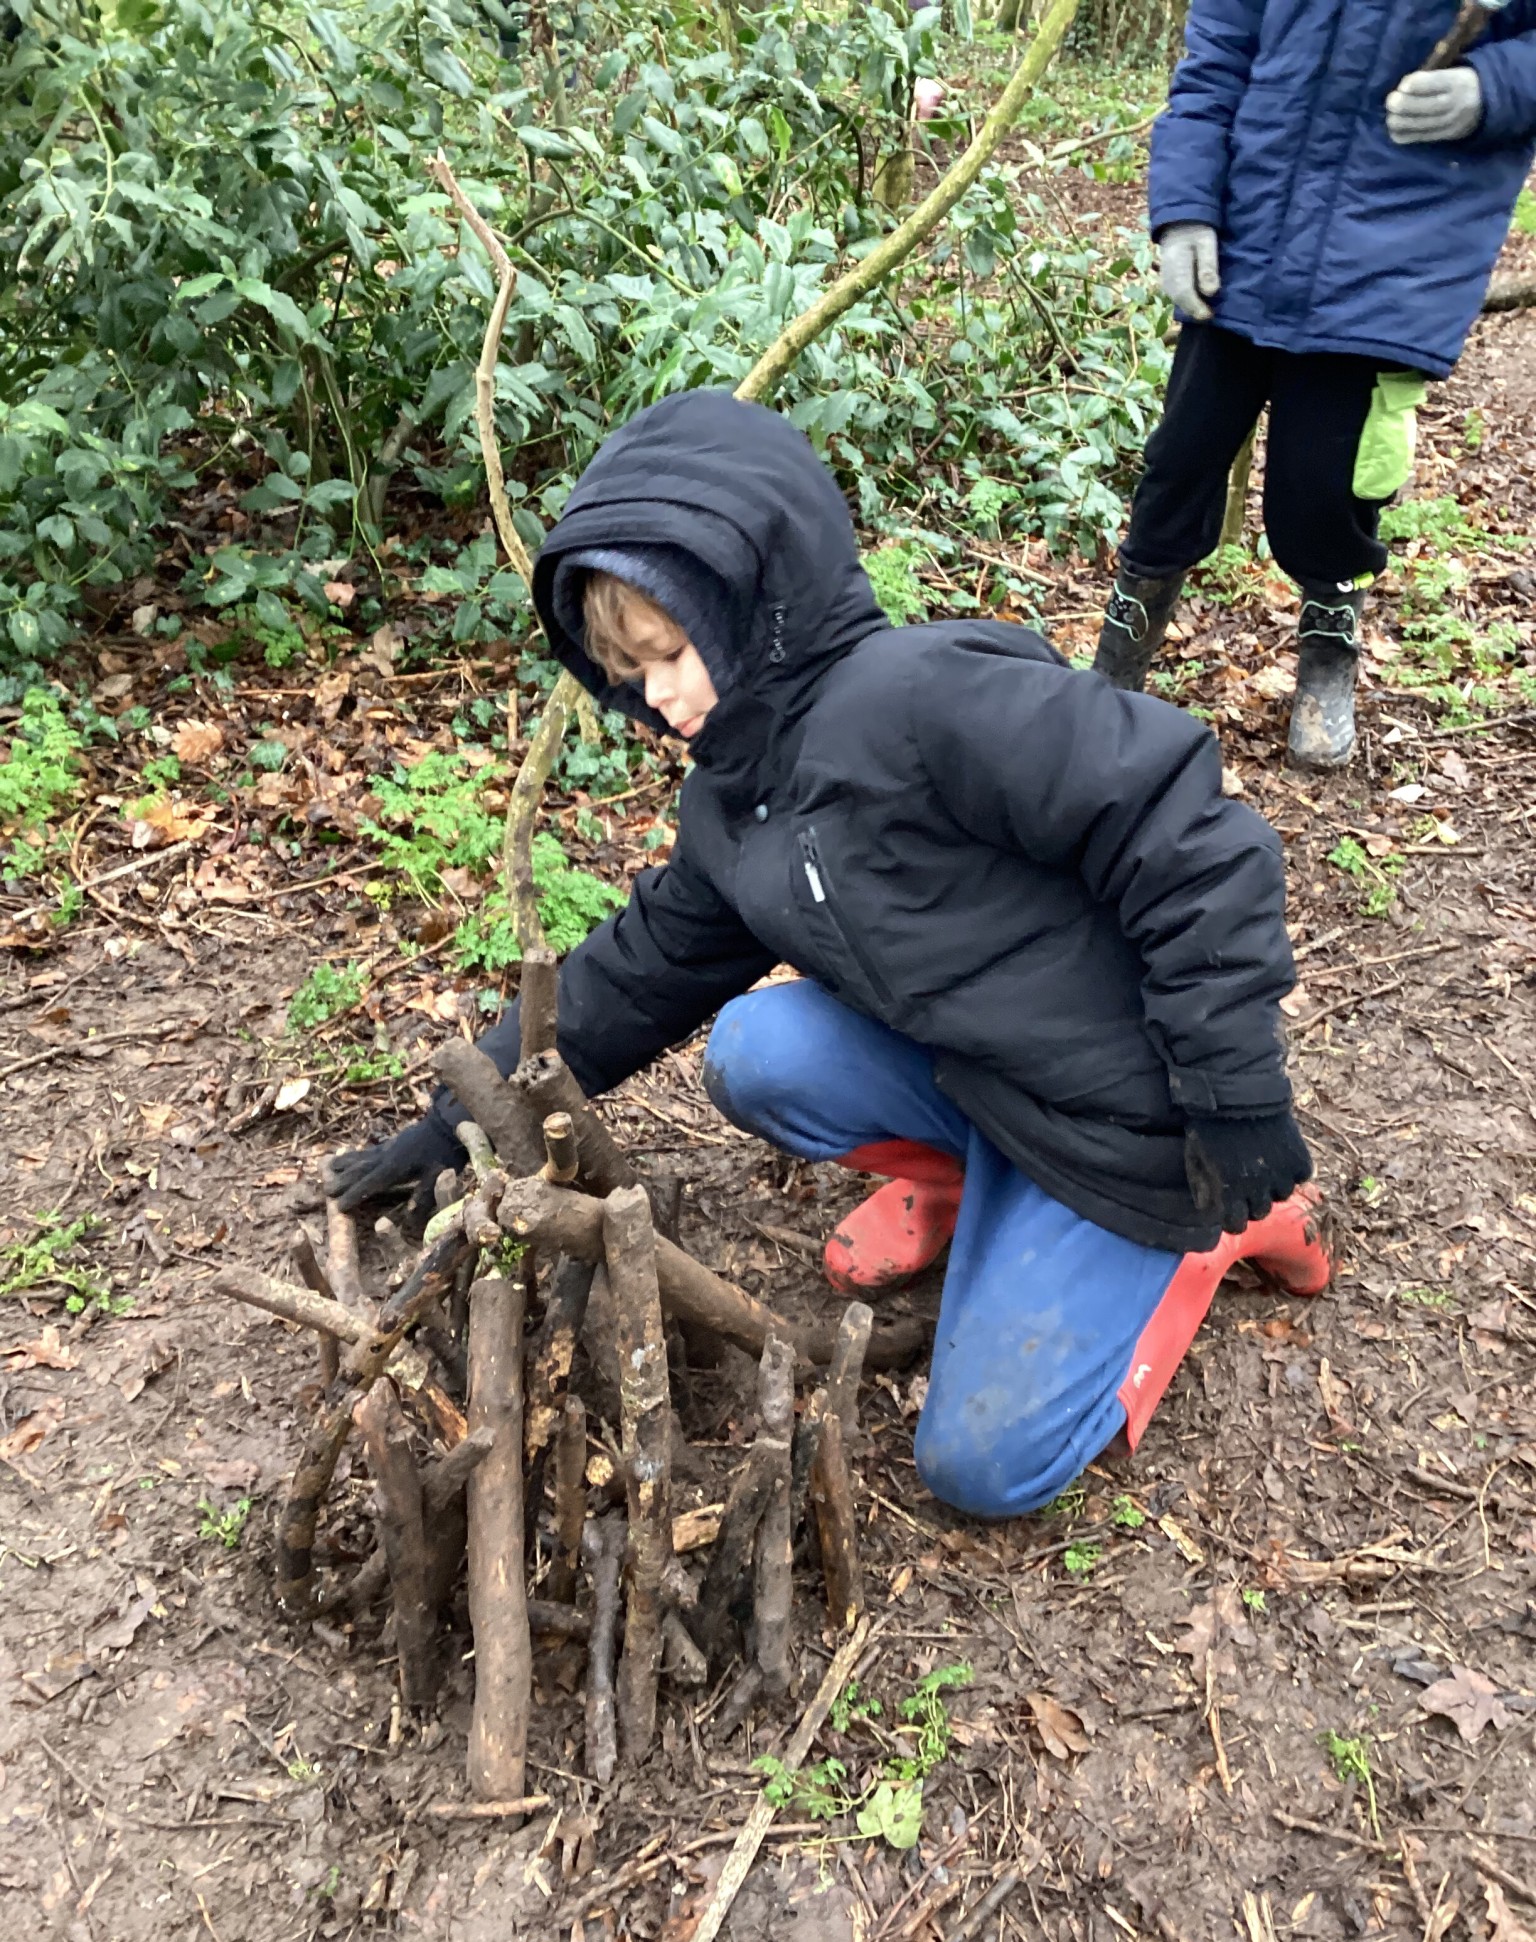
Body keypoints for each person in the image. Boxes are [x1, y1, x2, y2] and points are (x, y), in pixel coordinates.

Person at [327, 390, 1329, 1521]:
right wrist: (460, 1116)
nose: (659, 696)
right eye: (632, 671)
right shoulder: (736, 798)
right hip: (986, 1073)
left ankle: (1208, 1231)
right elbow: (638, 971)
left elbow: (1195, 839)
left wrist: (1230, 1093)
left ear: (755, 603)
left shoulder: (925, 699)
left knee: (982, 1468)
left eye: (673, 652)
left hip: (1129, 1117)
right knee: (757, 1048)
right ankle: (984, 1186)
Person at [1094, 0, 1536, 769]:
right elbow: (1215, 62)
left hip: (1393, 254)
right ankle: (1119, 658)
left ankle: (1329, 650)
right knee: (1179, 461)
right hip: (1249, 231)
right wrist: (1186, 209)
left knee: (1327, 488)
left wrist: (1497, 86)